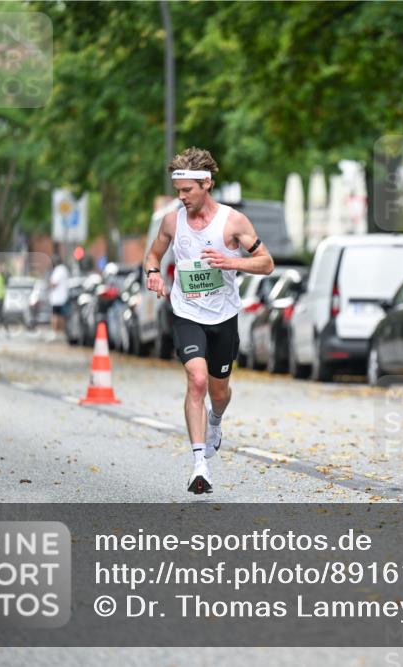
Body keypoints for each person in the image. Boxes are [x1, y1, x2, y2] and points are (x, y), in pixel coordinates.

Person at [144, 147, 274, 494]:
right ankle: (199, 464)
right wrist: (154, 273)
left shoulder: (233, 222)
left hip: (224, 315)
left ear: (206, 183)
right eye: (178, 191)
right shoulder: (172, 221)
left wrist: (232, 262)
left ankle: (215, 420)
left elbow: (266, 262)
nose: (181, 197)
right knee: (197, 380)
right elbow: (154, 254)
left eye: (187, 190)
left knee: (219, 391)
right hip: (187, 312)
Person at [48, 255, 70, 340]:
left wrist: (49, 284)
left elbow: (54, 283)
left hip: (57, 298)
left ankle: (55, 332)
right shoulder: (64, 269)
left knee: (55, 316)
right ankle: (63, 333)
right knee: (62, 316)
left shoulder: (58, 270)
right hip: (63, 297)